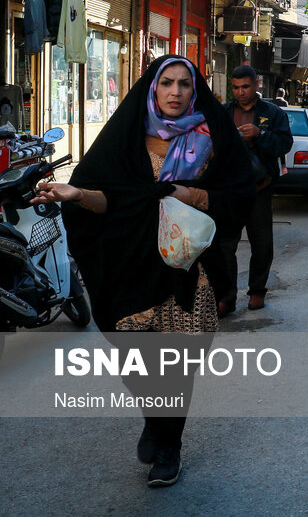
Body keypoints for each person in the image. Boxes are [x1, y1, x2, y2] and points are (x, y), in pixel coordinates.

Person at [41, 55, 254, 487]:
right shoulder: (125, 138)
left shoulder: (213, 138)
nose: (176, 92)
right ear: (152, 89)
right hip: (131, 267)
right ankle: (155, 419)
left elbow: (238, 195)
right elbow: (109, 200)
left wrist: (186, 194)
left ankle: (169, 445)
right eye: (167, 84)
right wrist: (76, 193)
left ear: (196, 91)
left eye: (185, 85)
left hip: (190, 271)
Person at [215, 65, 293, 314]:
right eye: (236, 87)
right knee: (225, 246)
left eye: (245, 87)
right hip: (229, 191)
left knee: (262, 244)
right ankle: (226, 296)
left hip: (260, 188)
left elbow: (284, 144)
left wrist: (259, 135)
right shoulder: (223, 112)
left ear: (256, 84)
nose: (240, 92)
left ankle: (257, 291)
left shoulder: (272, 113)